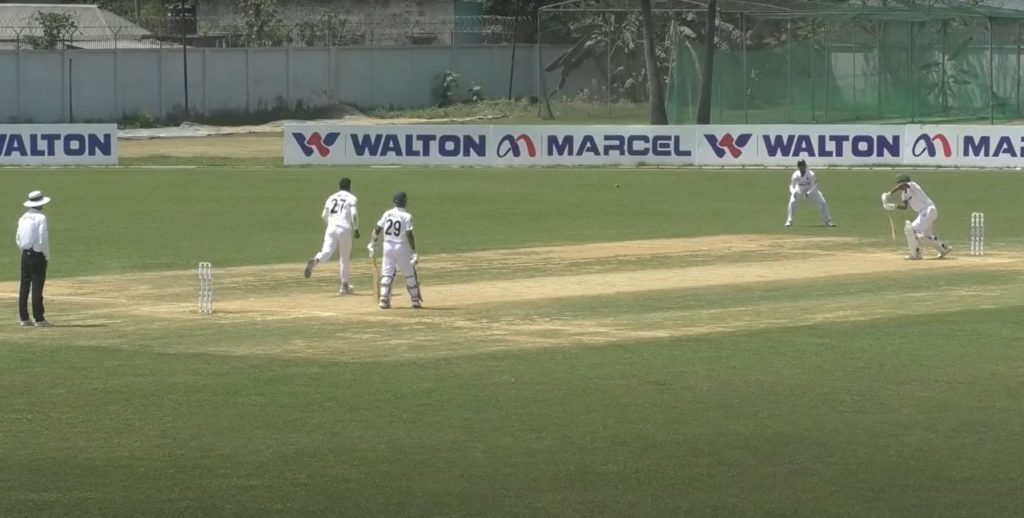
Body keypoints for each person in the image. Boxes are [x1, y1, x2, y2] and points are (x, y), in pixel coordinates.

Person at [304, 178, 360, 294]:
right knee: (344, 257)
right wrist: (356, 229)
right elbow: (354, 214)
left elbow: (323, 215)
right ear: (349, 187)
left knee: (326, 251)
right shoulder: (352, 198)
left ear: (339, 186)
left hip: (331, 228)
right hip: (344, 229)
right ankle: (344, 285)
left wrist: (331, 224)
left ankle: (316, 259)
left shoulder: (331, 197)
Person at [367, 192, 421, 310]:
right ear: (405, 201)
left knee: (387, 274)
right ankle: (415, 300)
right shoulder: (407, 216)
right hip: (401, 246)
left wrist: (372, 244)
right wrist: (414, 252)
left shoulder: (387, 213)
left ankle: (383, 300)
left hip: (387, 246)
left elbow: (377, 229)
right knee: (409, 274)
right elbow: (409, 234)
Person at [887, 173, 952, 260]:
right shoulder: (904, 194)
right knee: (926, 235)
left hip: (928, 209)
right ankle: (944, 249)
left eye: (899, 183)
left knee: (911, 229)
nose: (899, 185)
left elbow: (903, 185)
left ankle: (915, 254)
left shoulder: (913, 185)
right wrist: (892, 206)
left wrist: (889, 193)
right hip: (923, 212)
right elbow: (905, 206)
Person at [16, 190, 52, 327]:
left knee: (24, 286)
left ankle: (24, 318)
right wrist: (45, 255)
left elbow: (18, 238)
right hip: (37, 256)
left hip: (25, 254)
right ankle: (39, 318)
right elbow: (43, 240)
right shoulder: (41, 218)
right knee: (37, 286)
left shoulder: (23, 217)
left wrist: (24, 251)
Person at [786, 159, 834, 227]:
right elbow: (791, 185)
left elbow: (814, 185)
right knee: (792, 202)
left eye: (802, 166)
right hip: (799, 189)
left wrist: (808, 193)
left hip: (811, 189)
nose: (801, 168)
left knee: (823, 203)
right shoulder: (795, 175)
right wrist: (793, 192)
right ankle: (789, 221)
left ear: (805, 166)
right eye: (800, 167)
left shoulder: (811, 174)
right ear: (798, 167)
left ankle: (828, 221)